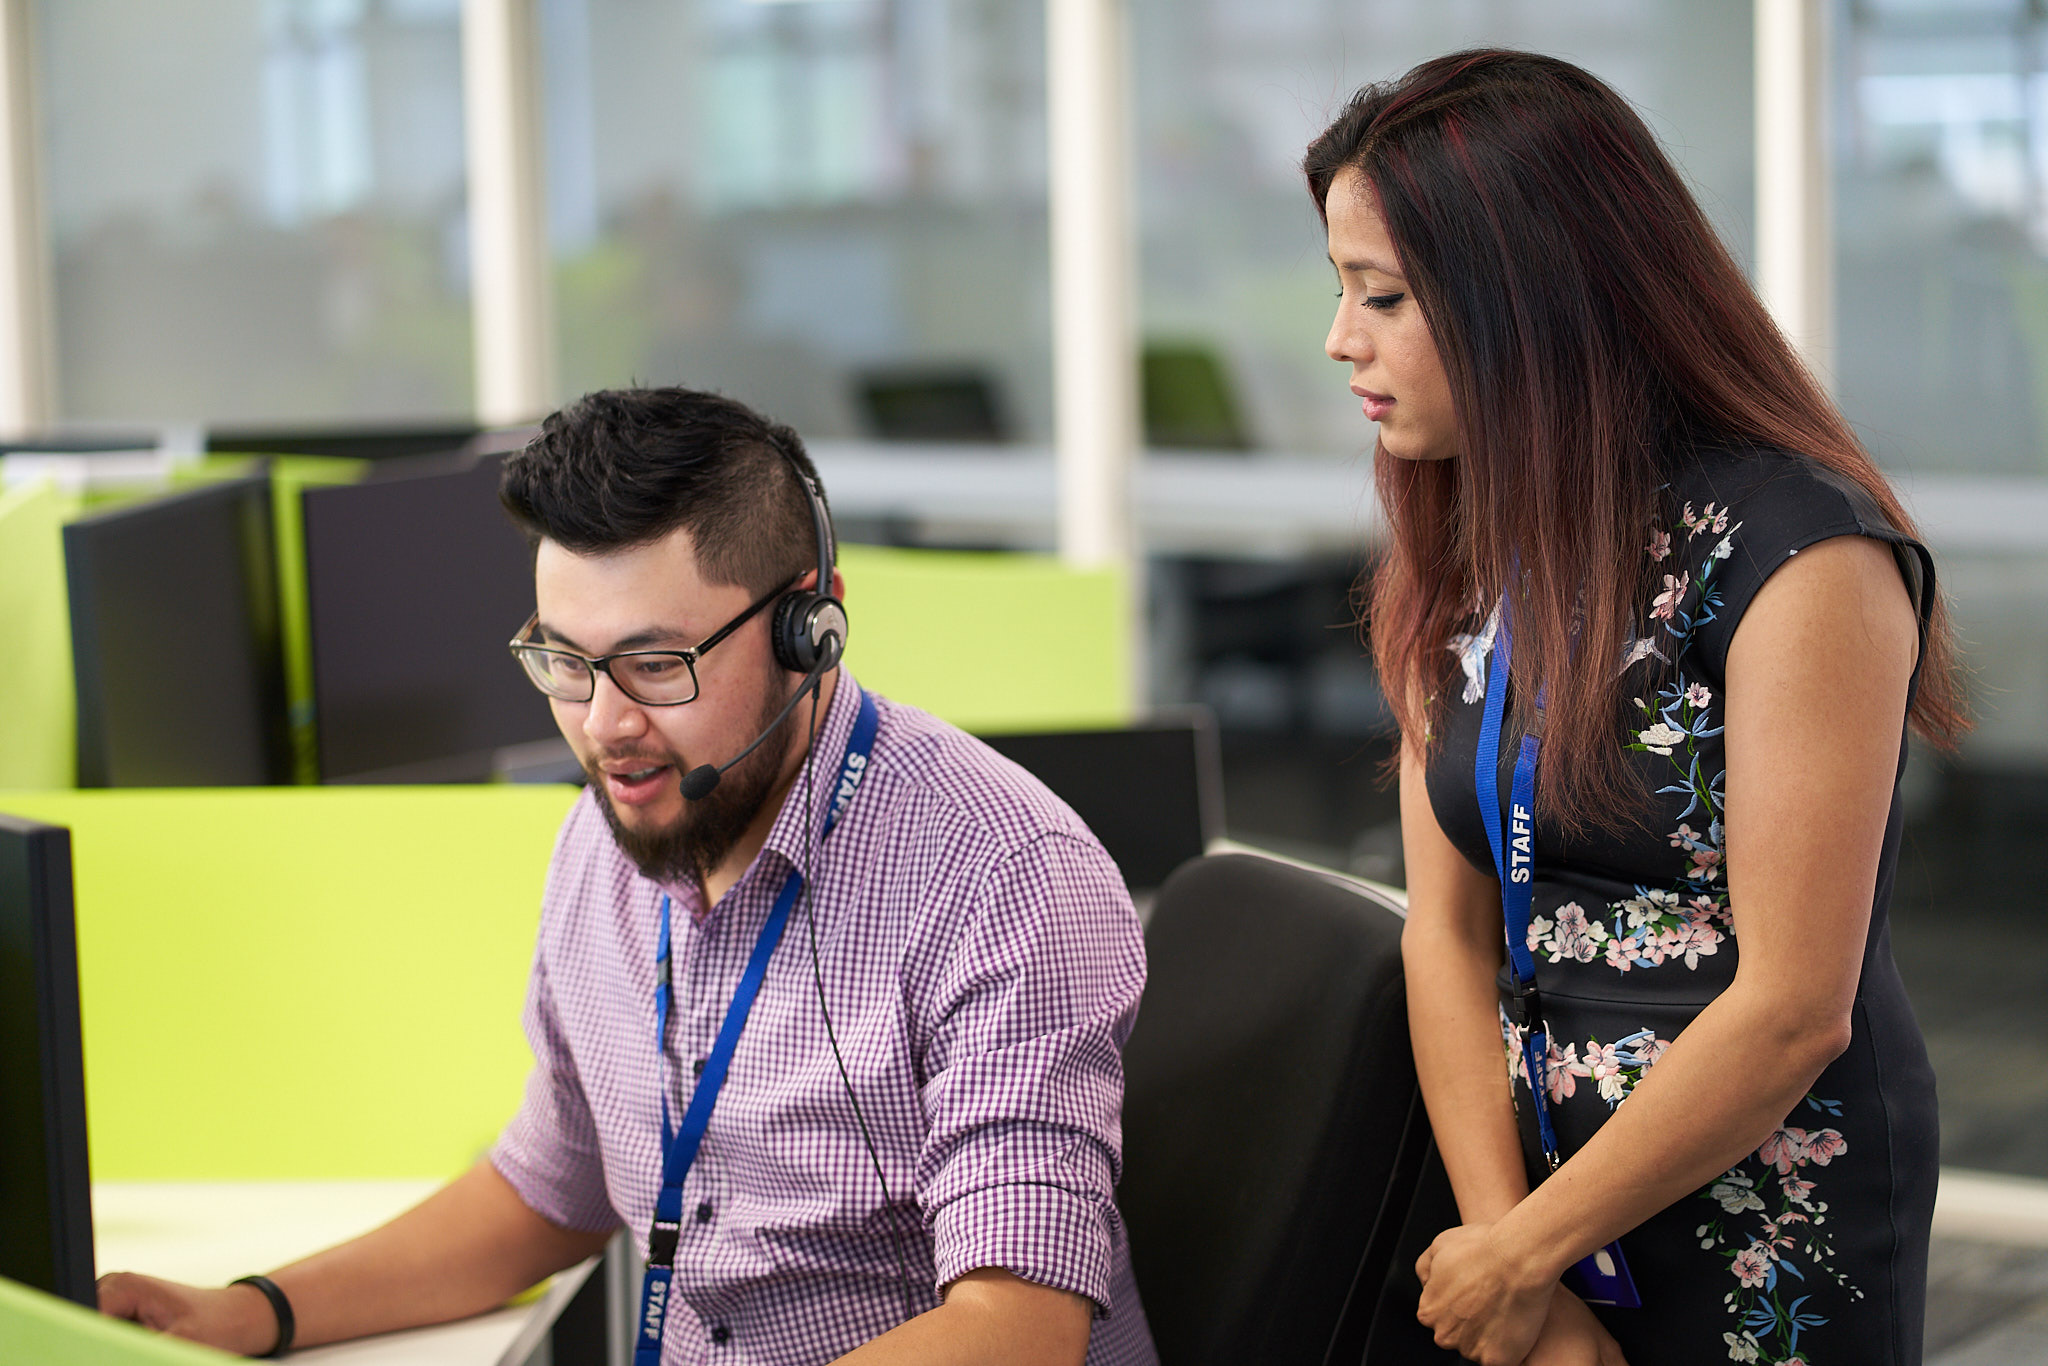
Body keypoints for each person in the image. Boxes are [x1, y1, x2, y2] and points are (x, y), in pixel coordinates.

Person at [97, 387, 1159, 1366]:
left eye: (657, 664)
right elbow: (546, 1188)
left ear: (810, 626)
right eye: (565, 660)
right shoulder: (603, 841)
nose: (605, 726)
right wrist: (245, 1310)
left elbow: (1015, 1326)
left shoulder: (1005, 880)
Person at [1306, 51, 1964, 1366]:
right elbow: (1446, 925)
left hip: (1757, 1205)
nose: (1342, 340)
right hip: (1529, 1206)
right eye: (1343, 291)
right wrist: (1517, 1263)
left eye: (1383, 295)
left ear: (1530, 301)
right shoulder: (1481, 530)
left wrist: (1525, 1250)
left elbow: (1793, 1005)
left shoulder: (1796, 551)